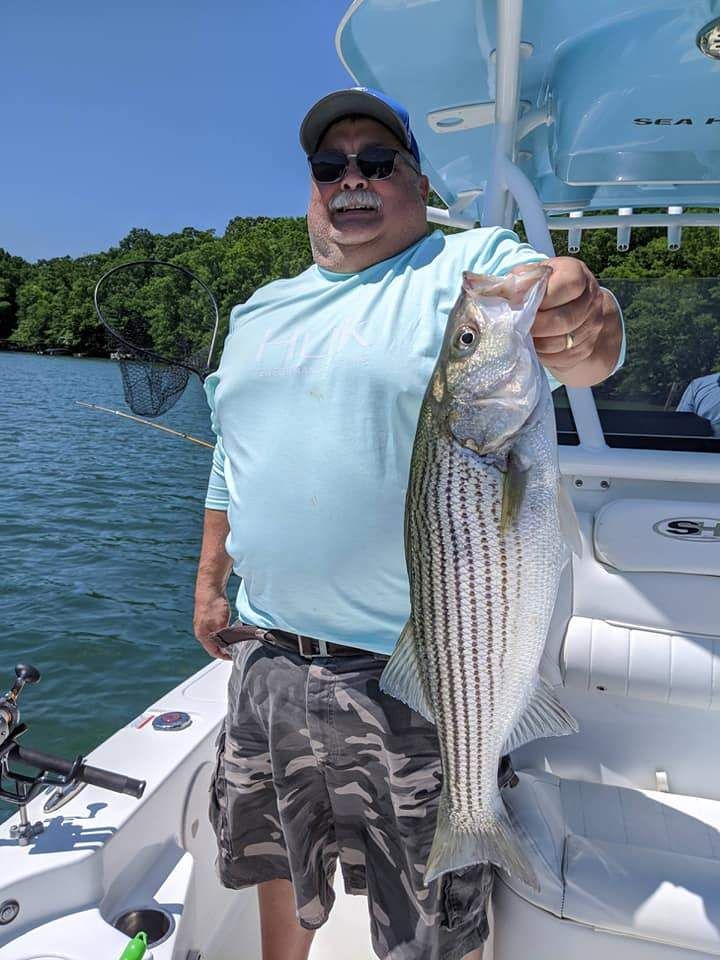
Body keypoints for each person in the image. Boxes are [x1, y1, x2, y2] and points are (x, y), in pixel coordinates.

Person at [193, 87, 624, 960]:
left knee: (427, 915)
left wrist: (586, 312)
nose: (351, 178)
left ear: (416, 181)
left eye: (376, 161)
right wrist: (209, 583)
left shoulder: (464, 266)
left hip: (422, 668)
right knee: (278, 863)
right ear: (312, 188)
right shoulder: (256, 310)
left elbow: (583, 329)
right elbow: (228, 455)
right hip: (267, 656)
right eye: (329, 166)